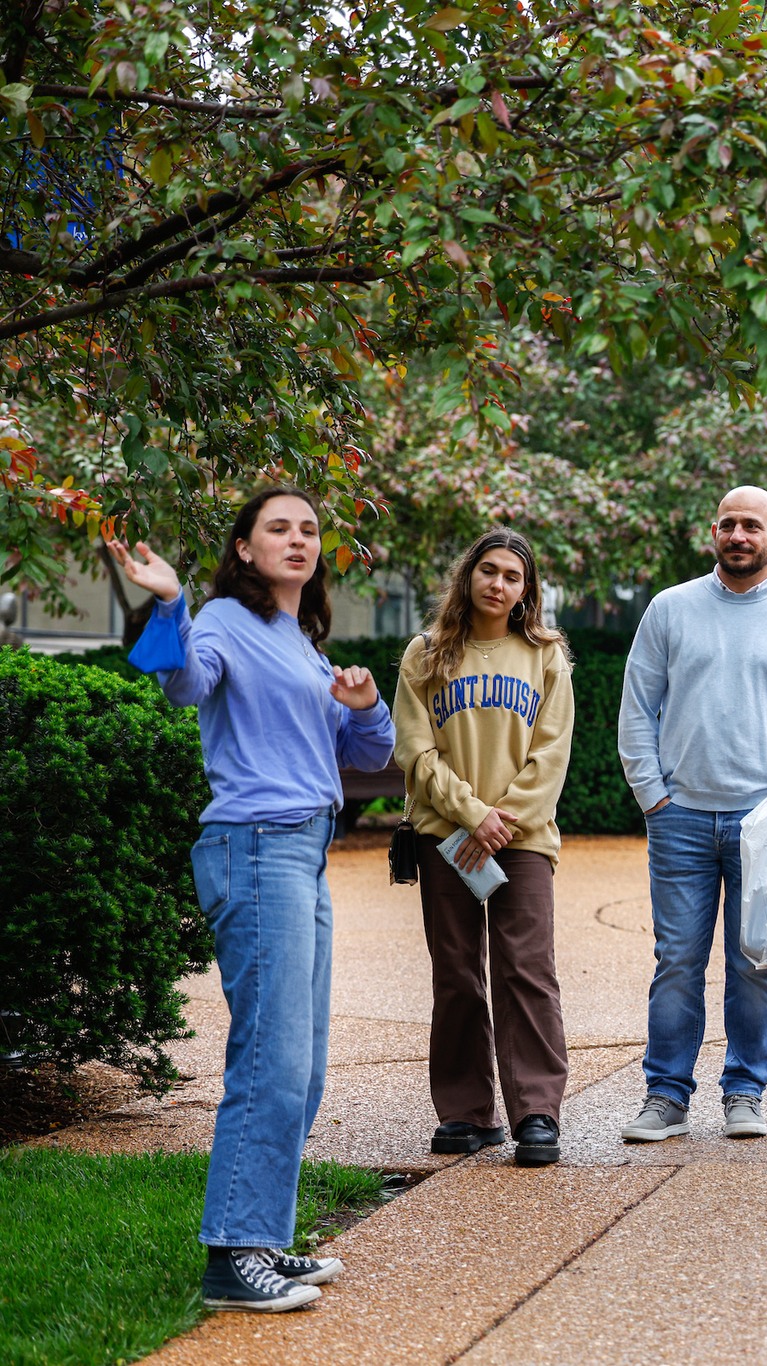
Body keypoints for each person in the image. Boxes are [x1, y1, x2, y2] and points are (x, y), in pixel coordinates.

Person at [112, 489, 394, 1313]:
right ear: (243, 548)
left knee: (299, 1068)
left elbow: (366, 753)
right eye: (279, 528)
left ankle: (261, 1235)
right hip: (256, 846)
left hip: (305, 855)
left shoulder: (303, 643)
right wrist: (169, 601)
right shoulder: (226, 625)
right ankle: (231, 1258)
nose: (298, 540)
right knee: (269, 1060)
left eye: (308, 530)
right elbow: (183, 687)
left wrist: (365, 704)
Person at [616, 486, 767, 1143]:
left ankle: (745, 1093)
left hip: (765, 823)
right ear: (712, 533)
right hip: (681, 817)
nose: (739, 534)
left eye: (753, 525)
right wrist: (653, 797)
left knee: (755, 962)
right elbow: (638, 708)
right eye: (728, 524)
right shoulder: (670, 610)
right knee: (677, 963)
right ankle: (665, 1098)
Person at [394, 529, 575, 1167]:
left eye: (513, 576)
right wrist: (473, 816)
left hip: (523, 841)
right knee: (457, 976)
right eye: (489, 571)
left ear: (528, 591)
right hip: (448, 837)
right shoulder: (426, 655)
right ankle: (465, 1112)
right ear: (468, 575)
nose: (499, 584)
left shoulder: (547, 656)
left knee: (526, 969)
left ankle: (536, 1112)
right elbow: (415, 751)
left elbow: (551, 754)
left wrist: (504, 821)